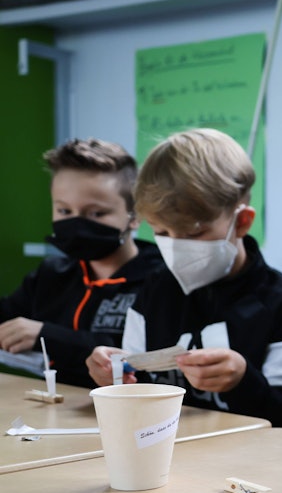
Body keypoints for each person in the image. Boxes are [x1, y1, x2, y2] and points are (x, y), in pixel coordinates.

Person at [86, 128, 282, 430]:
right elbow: (135, 392)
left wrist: (244, 380)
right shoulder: (154, 289)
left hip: (248, 454)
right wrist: (113, 375)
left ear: (242, 222)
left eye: (194, 233)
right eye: (162, 232)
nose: (176, 247)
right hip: (166, 448)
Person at [0, 138, 162, 388]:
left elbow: (147, 354)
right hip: (57, 407)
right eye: (64, 211)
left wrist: (47, 335)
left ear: (135, 215)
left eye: (96, 213)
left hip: (129, 408)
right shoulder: (52, 273)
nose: (77, 223)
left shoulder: (161, 277)